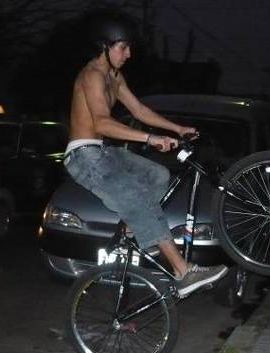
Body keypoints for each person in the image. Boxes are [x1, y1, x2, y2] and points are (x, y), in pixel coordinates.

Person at [63, 12, 228, 297]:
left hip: (102, 152)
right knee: (138, 199)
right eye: (123, 47)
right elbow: (101, 123)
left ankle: (134, 229)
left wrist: (177, 129)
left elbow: (139, 110)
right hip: (83, 157)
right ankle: (183, 272)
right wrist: (151, 139)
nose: (128, 54)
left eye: (129, 47)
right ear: (105, 46)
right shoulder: (92, 75)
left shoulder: (114, 76)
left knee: (158, 174)